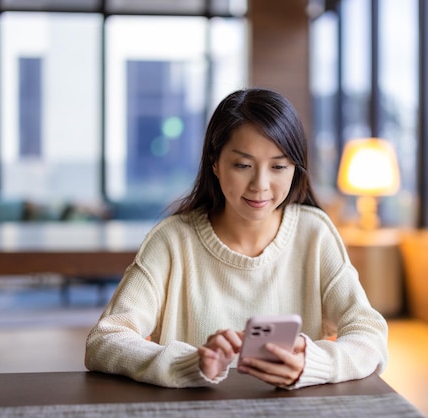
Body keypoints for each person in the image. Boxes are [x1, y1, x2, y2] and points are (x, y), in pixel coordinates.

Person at [85, 88, 389, 389]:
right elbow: (105, 340)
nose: (260, 184)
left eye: (279, 166)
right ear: (214, 163)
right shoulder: (172, 240)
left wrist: (312, 364)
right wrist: (190, 364)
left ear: (296, 169)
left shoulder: (315, 233)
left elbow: (369, 334)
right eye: (243, 165)